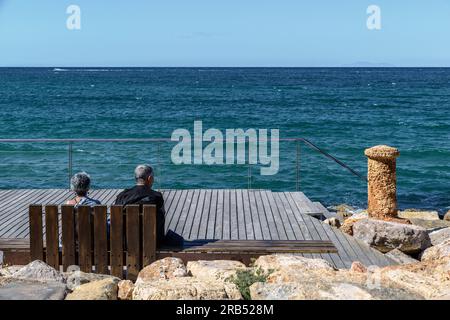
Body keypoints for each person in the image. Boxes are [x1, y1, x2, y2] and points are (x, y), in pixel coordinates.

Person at [114, 164, 167, 246]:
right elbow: (161, 220)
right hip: (151, 242)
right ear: (150, 178)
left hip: (125, 243)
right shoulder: (156, 196)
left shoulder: (122, 196)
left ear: (136, 178)